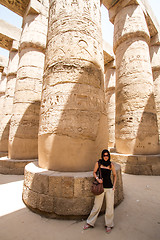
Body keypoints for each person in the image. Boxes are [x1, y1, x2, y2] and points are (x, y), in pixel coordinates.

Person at [83, 149, 117, 233]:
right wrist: (98, 179)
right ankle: (90, 222)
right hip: (100, 188)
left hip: (109, 188)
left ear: (109, 156)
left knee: (109, 207)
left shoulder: (110, 165)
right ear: (102, 156)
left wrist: (114, 186)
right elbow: (94, 172)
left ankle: (109, 224)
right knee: (97, 206)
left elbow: (115, 175)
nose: (106, 157)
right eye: (104, 155)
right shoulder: (98, 163)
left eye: (107, 155)